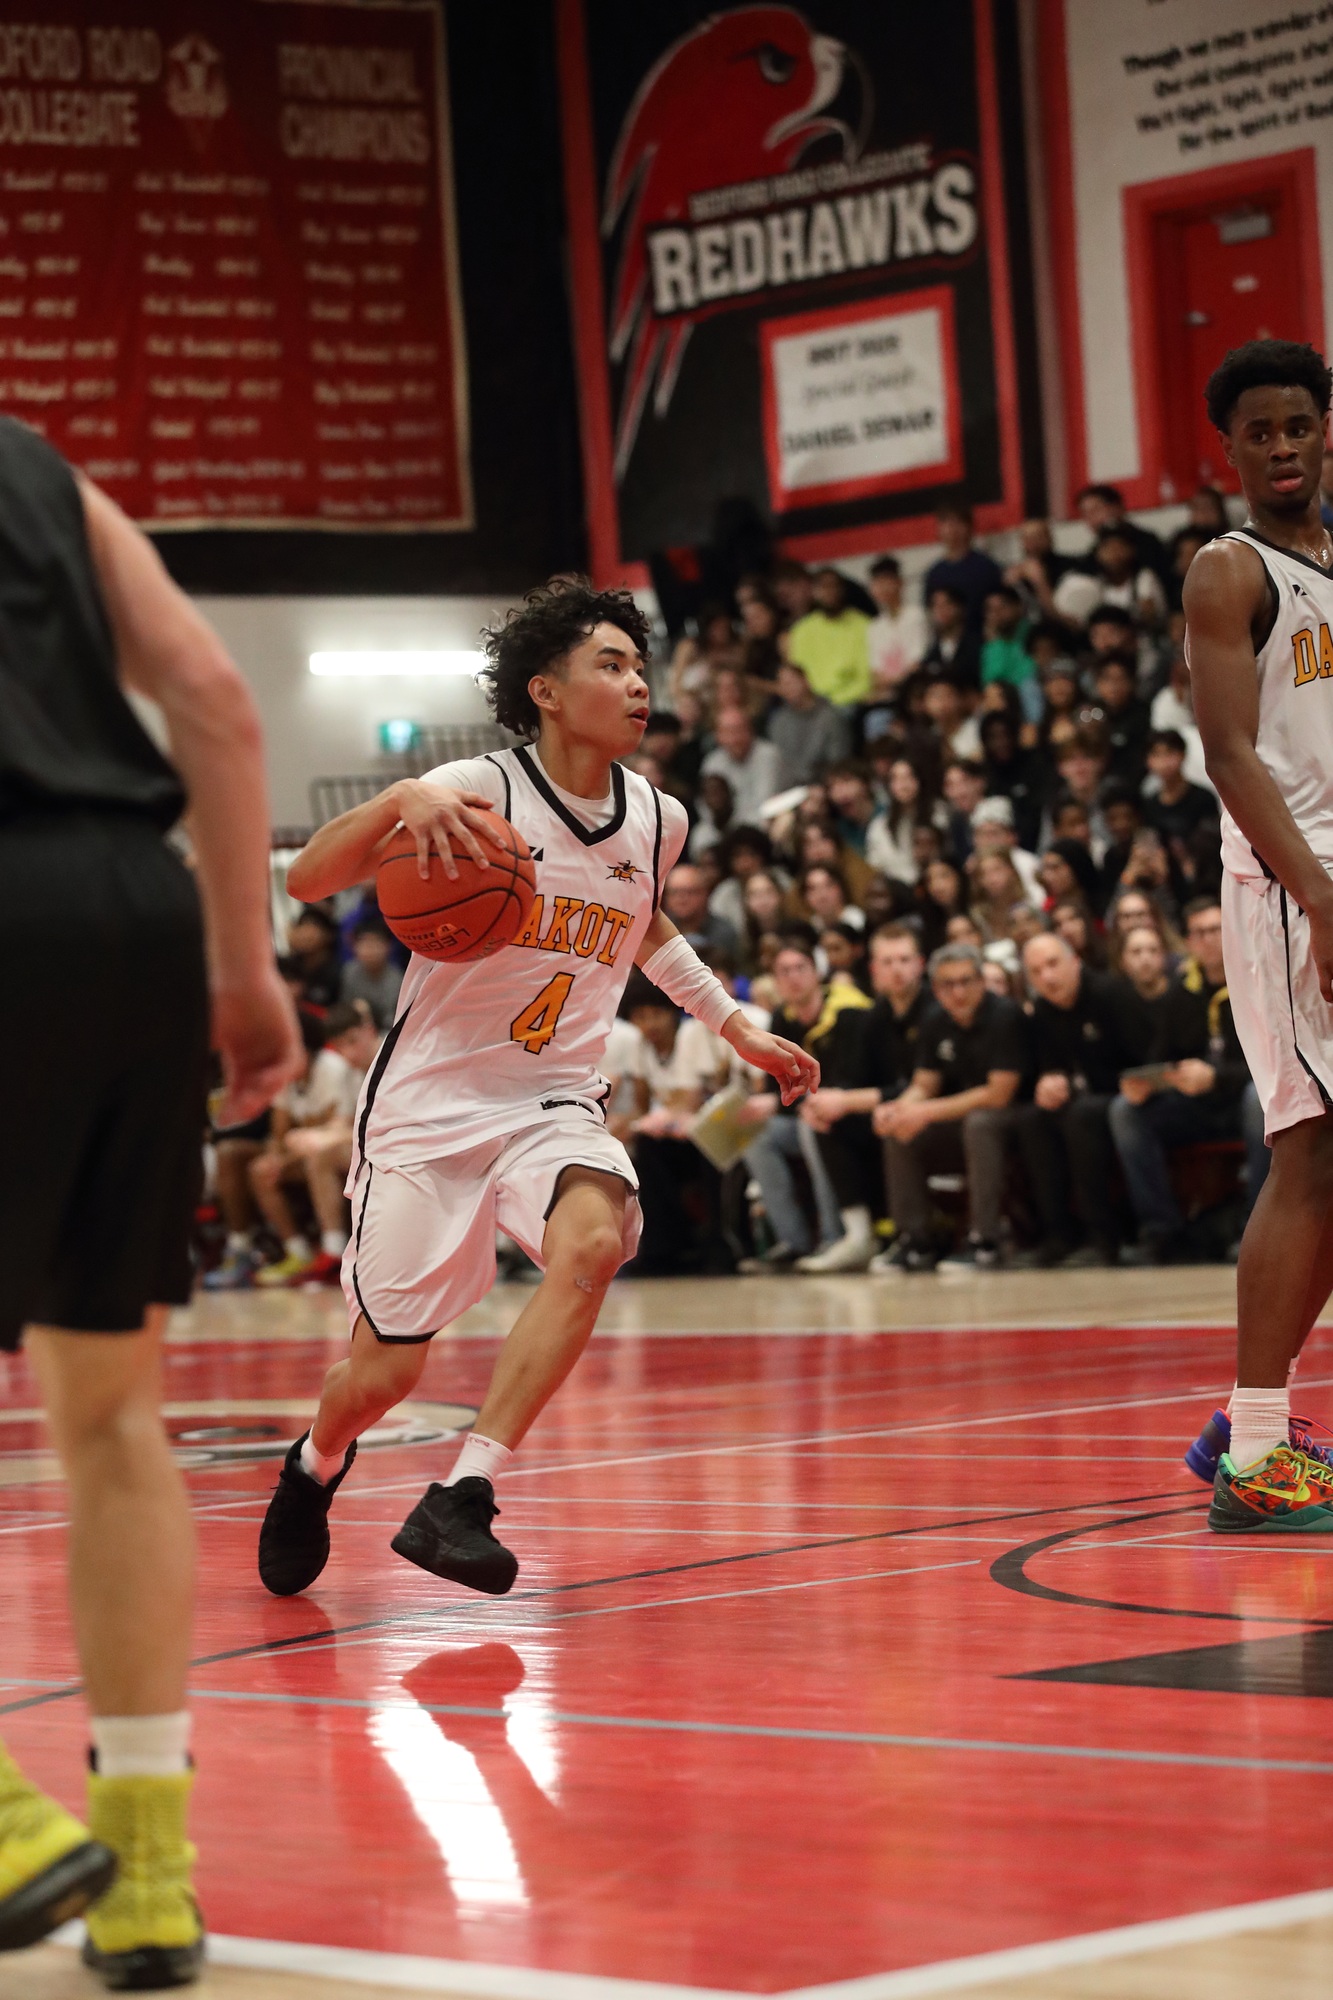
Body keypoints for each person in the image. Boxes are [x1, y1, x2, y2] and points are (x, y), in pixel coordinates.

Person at [257, 579, 817, 1595]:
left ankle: (463, 1492)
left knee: (594, 1240)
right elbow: (307, 881)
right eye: (611, 664)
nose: (637, 684)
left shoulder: (658, 817)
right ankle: (315, 1462)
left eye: (641, 667)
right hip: (427, 1107)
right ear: (545, 691)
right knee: (384, 1375)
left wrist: (735, 1024)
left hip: (552, 1095)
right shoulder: (477, 789)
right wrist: (401, 799)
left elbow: (644, 921)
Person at [0, 426, 301, 1978]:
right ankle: (145, 1874)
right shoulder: (33, 469)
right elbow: (215, 698)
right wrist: (242, 967)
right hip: (125, 922)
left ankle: (9, 1823)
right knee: (111, 1416)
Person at [1109, 897, 1266, 1266]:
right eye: (1198, 933)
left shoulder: (1258, 981)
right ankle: (1162, 1232)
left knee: (1257, 1099)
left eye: (1215, 930)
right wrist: (1149, 1082)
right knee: (1125, 1111)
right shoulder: (1181, 992)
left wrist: (1216, 1077)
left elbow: (1278, 1062)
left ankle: (1257, 1230)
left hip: (1244, 1101)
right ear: (1188, 941)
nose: (1208, 940)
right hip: (1195, 1107)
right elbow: (1160, 1057)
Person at [876, 941, 1027, 1271]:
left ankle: (985, 1239)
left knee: (980, 1124)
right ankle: (915, 1240)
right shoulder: (935, 1019)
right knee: (902, 1131)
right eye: (948, 984)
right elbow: (924, 1085)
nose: (958, 992)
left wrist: (924, 1111)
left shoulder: (1004, 1015)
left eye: (966, 981)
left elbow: (998, 1094)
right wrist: (899, 1109)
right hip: (962, 1118)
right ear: (935, 988)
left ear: (981, 981)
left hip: (1018, 1118)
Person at [798, 924, 929, 1271]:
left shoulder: (933, 1010)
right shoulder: (874, 1017)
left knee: (876, 1117)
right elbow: (853, 1078)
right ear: (873, 970)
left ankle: (912, 1236)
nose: (897, 969)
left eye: (904, 960)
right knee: (828, 1120)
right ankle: (858, 1235)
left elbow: (919, 1086)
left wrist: (846, 1101)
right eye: (887, 962)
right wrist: (825, 1101)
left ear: (920, 964)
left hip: (932, 1110)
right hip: (887, 1109)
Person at [1014, 933, 1148, 1266]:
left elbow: (1143, 1062)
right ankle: (1058, 1234)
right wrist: (1048, 1084)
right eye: (1036, 971)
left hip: (1129, 1096)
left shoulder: (1111, 993)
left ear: (1075, 962)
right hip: (1083, 1100)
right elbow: (1048, 1068)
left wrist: (1073, 1086)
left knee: (1081, 1116)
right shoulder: (1041, 1011)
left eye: (1053, 964)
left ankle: (1103, 1236)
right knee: (1032, 1119)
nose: (1047, 977)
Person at [739, 934, 857, 1268]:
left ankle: (834, 1238)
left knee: (810, 1127)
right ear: (776, 981)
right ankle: (793, 1243)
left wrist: (777, 1105)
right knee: (756, 1136)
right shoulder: (781, 1019)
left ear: (817, 971)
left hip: (849, 1113)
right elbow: (778, 1088)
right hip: (806, 1113)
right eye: (784, 971)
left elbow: (848, 1082)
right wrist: (768, 1104)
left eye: (800, 968)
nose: (793, 977)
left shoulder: (847, 1011)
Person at [250, 1005, 380, 1286]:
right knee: (263, 1168)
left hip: (396, 1151)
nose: (348, 1053)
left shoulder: (374, 1065)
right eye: (341, 1045)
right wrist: (285, 1155)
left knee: (321, 1156)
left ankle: (334, 1251)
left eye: (352, 1041)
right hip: (369, 1149)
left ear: (370, 1031)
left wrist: (323, 1137)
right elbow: (344, 1124)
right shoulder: (353, 1071)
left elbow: (374, 1129)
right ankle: (300, 1252)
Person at [785, 567, 872, 708]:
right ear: (814, 592)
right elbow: (797, 675)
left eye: (833, 586)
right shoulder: (801, 631)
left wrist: (840, 700)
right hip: (813, 704)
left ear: (842, 590)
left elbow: (867, 676)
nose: (829, 592)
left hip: (853, 702)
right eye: (823, 587)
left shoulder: (863, 625)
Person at [767, 660, 851, 788]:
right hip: (789, 789)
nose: (788, 688)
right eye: (783, 684)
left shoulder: (830, 716)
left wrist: (821, 787)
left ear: (805, 681)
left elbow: (838, 761)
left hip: (824, 785)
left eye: (791, 682)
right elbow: (778, 764)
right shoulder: (778, 722)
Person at [924, 501, 1003, 633]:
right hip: (950, 642)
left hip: (983, 639)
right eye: (946, 523)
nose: (952, 529)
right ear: (939, 529)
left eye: (958, 522)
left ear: (969, 527)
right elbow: (932, 616)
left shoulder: (987, 567)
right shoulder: (935, 574)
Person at [700, 705, 781, 826]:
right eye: (728, 732)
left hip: (762, 823)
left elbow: (765, 803)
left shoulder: (768, 755)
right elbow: (705, 806)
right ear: (718, 736)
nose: (735, 739)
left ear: (750, 731)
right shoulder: (712, 762)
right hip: (724, 826)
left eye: (739, 730)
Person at [866, 553, 928, 696]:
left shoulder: (916, 615)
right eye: (877, 583)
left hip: (914, 690)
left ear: (900, 582)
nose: (882, 588)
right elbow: (875, 672)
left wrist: (893, 682)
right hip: (887, 694)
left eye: (886, 581)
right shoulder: (874, 626)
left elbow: (917, 663)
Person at [663, 860, 742, 960]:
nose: (681, 899)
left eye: (689, 892)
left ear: (705, 893)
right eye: (674, 893)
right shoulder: (659, 931)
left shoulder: (724, 933)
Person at [340, 915, 404, 1029]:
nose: (370, 949)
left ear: (388, 946)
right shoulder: (349, 971)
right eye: (364, 943)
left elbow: (392, 1019)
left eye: (376, 943)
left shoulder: (397, 978)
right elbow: (345, 1006)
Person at [921, 584, 982, 689]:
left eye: (945, 604)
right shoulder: (931, 651)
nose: (940, 611)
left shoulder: (977, 645)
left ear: (959, 608)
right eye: (935, 606)